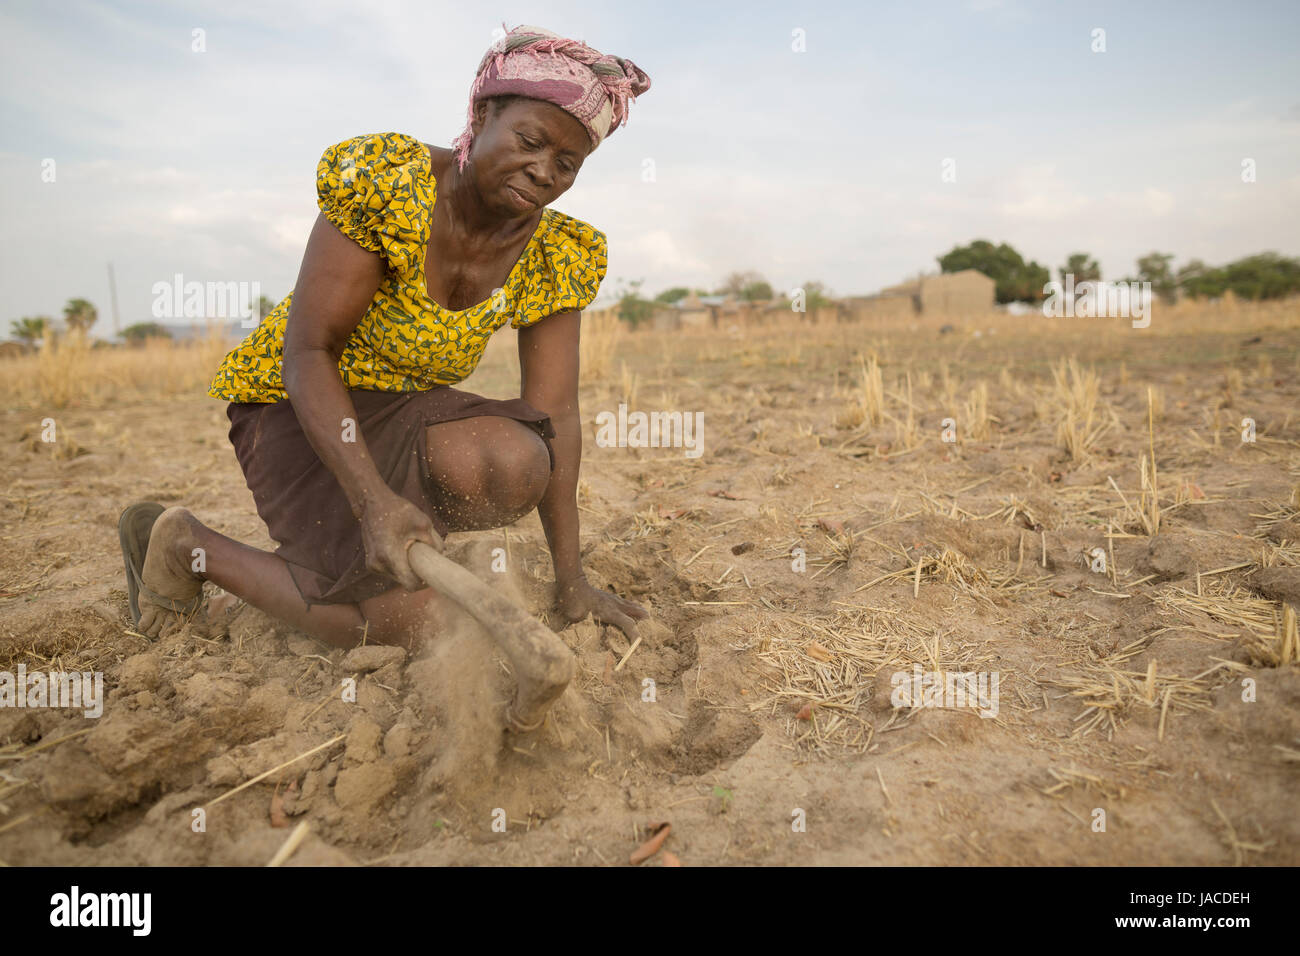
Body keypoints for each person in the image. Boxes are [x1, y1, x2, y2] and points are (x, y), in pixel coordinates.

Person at [118, 24, 652, 659]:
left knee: (516, 459)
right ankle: (187, 545)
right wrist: (373, 502)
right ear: (482, 115)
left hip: (403, 410)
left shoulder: (558, 252)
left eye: (566, 164)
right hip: (299, 405)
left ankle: (375, 554)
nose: (542, 172)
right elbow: (307, 351)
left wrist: (573, 582)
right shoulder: (389, 184)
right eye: (530, 142)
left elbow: (556, 412)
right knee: (406, 625)